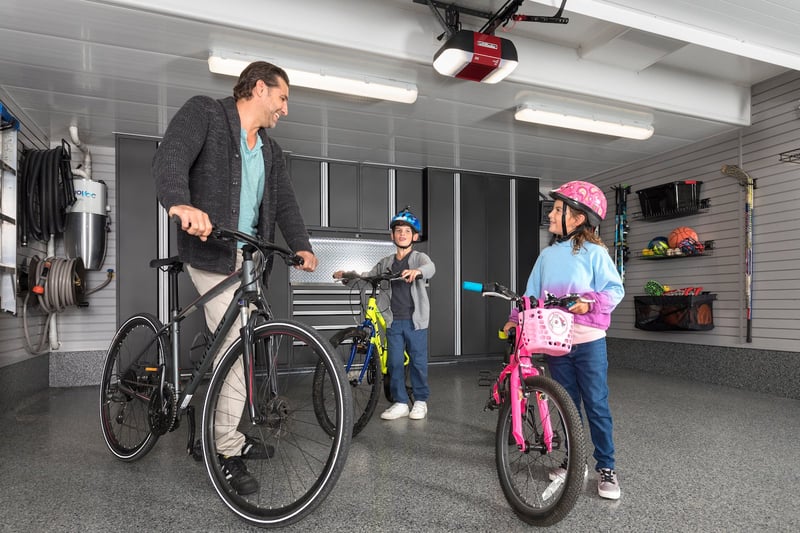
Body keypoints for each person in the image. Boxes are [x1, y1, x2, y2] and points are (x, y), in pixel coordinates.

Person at [153, 61, 318, 496]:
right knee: (233, 344)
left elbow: (285, 205)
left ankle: (218, 430)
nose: (285, 109)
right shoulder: (205, 113)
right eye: (282, 98)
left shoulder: (271, 151)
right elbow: (170, 155)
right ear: (259, 88)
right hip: (210, 255)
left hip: (247, 262)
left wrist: (302, 245)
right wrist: (179, 204)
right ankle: (224, 450)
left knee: (243, 342)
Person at [503, 180, 624, 500]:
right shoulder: (547, 256)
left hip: (588, 341)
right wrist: (515, 319)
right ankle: (574, 460)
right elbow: (530, 295)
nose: (552, 215)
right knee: (567, 404)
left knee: (596, 404)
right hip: (556, 341)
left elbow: (615, 291)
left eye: (558, 210)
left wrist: (589, 301)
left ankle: (606, 467)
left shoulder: (596, 254)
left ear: (578, 217)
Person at [333, 208, 435, 421]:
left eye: (407, 231)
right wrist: (348, 276)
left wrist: (418, 272)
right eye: (398, 231)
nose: (402, 234)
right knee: (394, 362)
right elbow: (369, 276)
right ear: (392, 235)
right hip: (393, 320)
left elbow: (430, 267)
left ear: (414, 236)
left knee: (417, 361)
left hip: (415, 320)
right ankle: (400, 402)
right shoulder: (386, 262)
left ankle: (420, 401)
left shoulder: (418, 258)